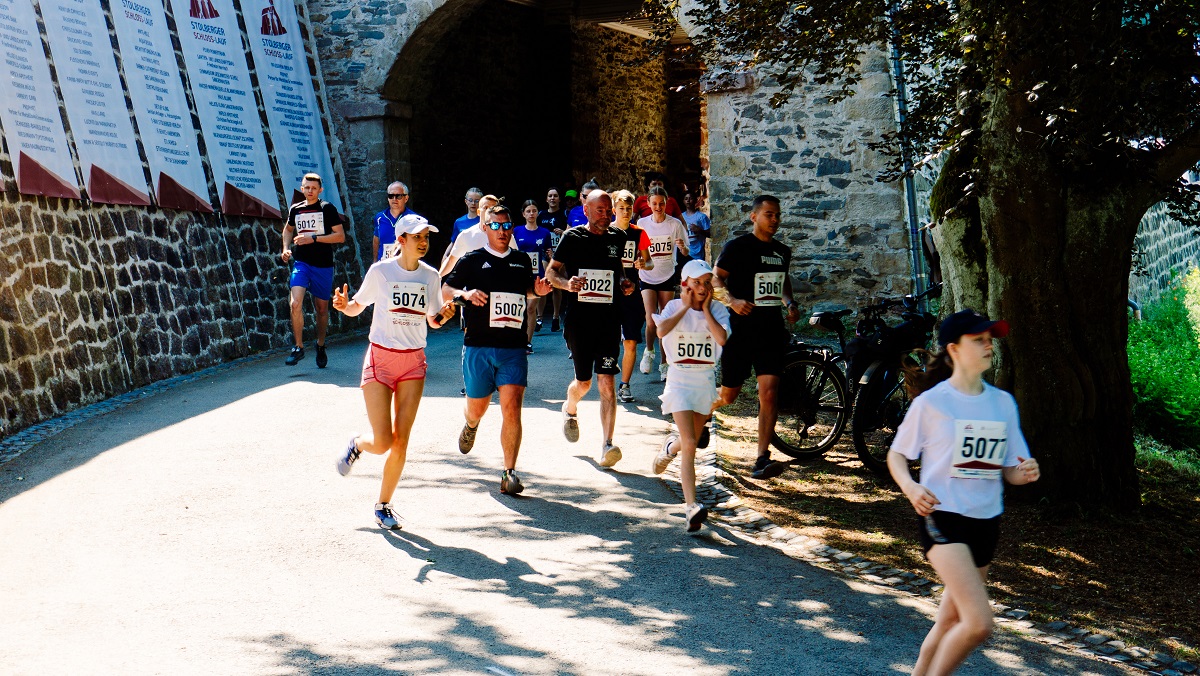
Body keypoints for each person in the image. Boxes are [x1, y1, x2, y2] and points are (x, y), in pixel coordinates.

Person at [887, 309, 1040, 676]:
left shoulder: (1002, 403)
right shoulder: (933, 403)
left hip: (986, 522)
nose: (989, 345)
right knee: (978, 623)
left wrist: (1026, 472)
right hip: (943, 518)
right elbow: (896, 454)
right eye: (979, 340)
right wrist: (911, 487)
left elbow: (1010, 469)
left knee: (949, 620)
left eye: (990, 339)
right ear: (954, 349)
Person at [332, 214, 457, 529]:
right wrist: (343, 305)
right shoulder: (381, 271)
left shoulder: (430, 276)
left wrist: (445, 314)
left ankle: (383, 505)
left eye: (426, 236)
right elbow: (356, 307)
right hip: (381, 360)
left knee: (401, 441)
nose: (424, 241)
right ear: (401, 240)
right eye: (417, 236)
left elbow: (433, 320)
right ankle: (358, 444)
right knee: (383, 441)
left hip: (413, 363)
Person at [442, 205, 553, 495]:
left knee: (512, 409)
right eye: (496, 226)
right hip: (478, 345)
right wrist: (463, 294)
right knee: (477, 408)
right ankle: (470, 424)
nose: (502, 231)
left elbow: (527, 288)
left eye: (506, 226)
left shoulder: (519, 260)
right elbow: (445, 288)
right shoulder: (472, 260)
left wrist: (538, 290)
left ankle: (509, 473)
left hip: (513, 347)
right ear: (485, 229)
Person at [710, 195, 801, 478]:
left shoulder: (782, 251)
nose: (775, 220)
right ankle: (697, 412)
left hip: (771, 330)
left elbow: (782, 279)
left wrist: (789, 302)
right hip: (741, 331)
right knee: (729, 396)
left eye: (778, 215)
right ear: (754, 217)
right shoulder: (737, 247)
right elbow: (715, 279)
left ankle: (762, 457)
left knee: (769, 393)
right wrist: (733, 300)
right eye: (769, 215)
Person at [546, 190, 637, 468]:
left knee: (606, 381)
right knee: (584, 383)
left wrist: (625, 283)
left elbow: (619, 271)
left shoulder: (618, 238)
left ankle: (607, 444)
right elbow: (552, 271)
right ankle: (570, 408)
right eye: (600, 210)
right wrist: (566, 284)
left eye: (608, 211)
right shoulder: (572, 238)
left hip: (609, 319)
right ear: (586, 210)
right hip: (578, 320)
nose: (606, 215)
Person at [649, 260, 731, 532]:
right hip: (680, 381)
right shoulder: (674, 307)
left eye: (707, 282)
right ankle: (691, 507)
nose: (702, 287)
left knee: (689, 441)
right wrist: (685, 306)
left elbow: (721, 340)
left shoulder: (718, 310)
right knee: (691, 443)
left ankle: (669, 449)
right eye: (696, 282)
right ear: (685, 284)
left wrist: (706, 309)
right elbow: (660, 331)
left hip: (704, 384)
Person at [280, 173, 345, 368]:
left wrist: (314, 238)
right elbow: (288, 229)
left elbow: (340, 236)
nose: (310, 191)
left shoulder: (327, 209)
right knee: (295, 303)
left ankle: (321, 344)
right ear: (302, 188)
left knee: (321, 308)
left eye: (313, 188)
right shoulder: (296, 209)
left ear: (320, 190)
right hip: (302, 263)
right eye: (306, 188)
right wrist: (285, 248)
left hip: (323, 264)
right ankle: (298, 347)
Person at [637, 186, 690, 382]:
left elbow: (686, 251)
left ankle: (665, 363)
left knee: (665, 320)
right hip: (647, 276)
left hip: (667, 275)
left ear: (666, 203)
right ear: (648, 204)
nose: (658, 207)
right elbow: (636, 248)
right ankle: (649, 352)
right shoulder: (642, 223)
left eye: (661, 203)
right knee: (651, 320)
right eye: (654, 203)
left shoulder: (674, 224)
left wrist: (682, 247)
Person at [610, 189, 652, 403]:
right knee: (608, 340)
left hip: (633, 292)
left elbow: (650, 261)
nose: (625, 213)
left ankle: (624, 384)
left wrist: (644, 264)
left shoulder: (639, 233)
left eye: (628, 209)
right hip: (610, 292)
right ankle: (606, 379)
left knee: (631, 341)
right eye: (621, 209)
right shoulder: (606, 232)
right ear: (613, 210)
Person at [439, 194, 517, 277]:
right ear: (478, 212)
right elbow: (451, 261)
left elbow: (517, 260)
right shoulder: (466, 235)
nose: (489, 211)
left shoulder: (505, 235)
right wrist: (437, 277)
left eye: (493, 208)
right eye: (486, 208)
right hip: (472, 288)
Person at [513, 200, 554, 352]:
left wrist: (551, 256)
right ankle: (516, 338)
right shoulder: (516, 231)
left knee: (531, 308)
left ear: (538, 213)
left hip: (537, 275)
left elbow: (549, 253)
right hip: (519, 274)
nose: (531, 214)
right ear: (523, 214)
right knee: (519, 307)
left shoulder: (544, 233)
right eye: (528, 211)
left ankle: (527, 342)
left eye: (534, 210)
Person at [538, 188, 569, 332]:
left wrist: (563, 233)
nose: (552, 198)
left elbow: (570, 232)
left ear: (559, 199)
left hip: (559, 253)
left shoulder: (564, 214)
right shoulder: (541, 215)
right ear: (546, 199)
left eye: (555, 196)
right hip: (545, 253)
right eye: (550, 196)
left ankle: (556, 317)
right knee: (543, 282)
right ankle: (539, 317)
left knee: (557, 284)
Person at [371, 181, 419, 262]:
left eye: (398, 196)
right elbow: (376, 240)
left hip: (404, 267)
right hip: (383, 266)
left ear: (406, 198)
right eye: (391, 196)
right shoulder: (379, 217)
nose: (394, 199)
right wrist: (375, 262)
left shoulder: (414, 219)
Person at [681, 191, 711, 260]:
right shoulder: (681, 217)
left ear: (695, 200)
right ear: (683, 201)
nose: (688, 201)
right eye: (686, 199)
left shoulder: (701, 217)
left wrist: (699, 230)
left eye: (691, 198)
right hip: (684, 254)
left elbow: (711, 234)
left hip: (698, 254)